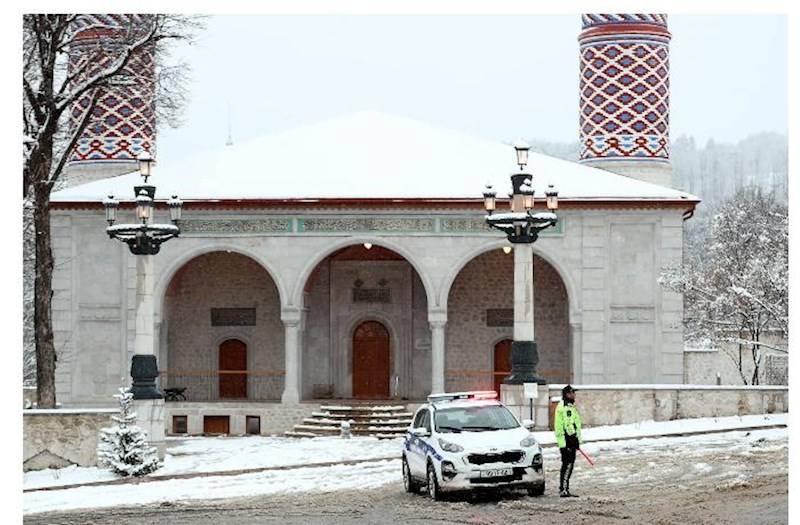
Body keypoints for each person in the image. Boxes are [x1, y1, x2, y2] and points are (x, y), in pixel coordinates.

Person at [554, 384, 582, 497]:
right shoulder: (567, 407)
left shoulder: (566, 405)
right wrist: (573, 439)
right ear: (567, 394)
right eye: (572, 393)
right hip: (567, 441)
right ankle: (564, 489)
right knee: (568, 465)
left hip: (566, 441)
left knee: (567, 465)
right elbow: (568, 424)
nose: (574, 395)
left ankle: (564, 488)